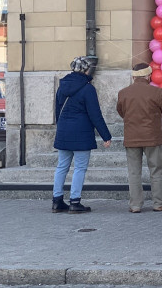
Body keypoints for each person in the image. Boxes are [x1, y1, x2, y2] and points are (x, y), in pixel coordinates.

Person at [52, 55, 111, 213]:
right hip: (82, 133)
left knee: (62, 167)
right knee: (79, 168)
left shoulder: (62, 86)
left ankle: (57, 201)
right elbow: (95, 114)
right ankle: (74, 202)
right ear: (86, 69)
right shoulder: (87, 88)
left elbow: (58, 110)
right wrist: (106, 136)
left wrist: (62, 128)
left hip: (64, 131)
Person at [116, 62, 162, 213]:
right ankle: (158, 203)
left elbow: (121, 112)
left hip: (131, 137)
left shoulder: (123, 93)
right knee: (156, 170)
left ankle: (135, 205)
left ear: (134, 77)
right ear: (148, 76)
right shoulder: (156, 92)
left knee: (134, 172)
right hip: (152, 137)